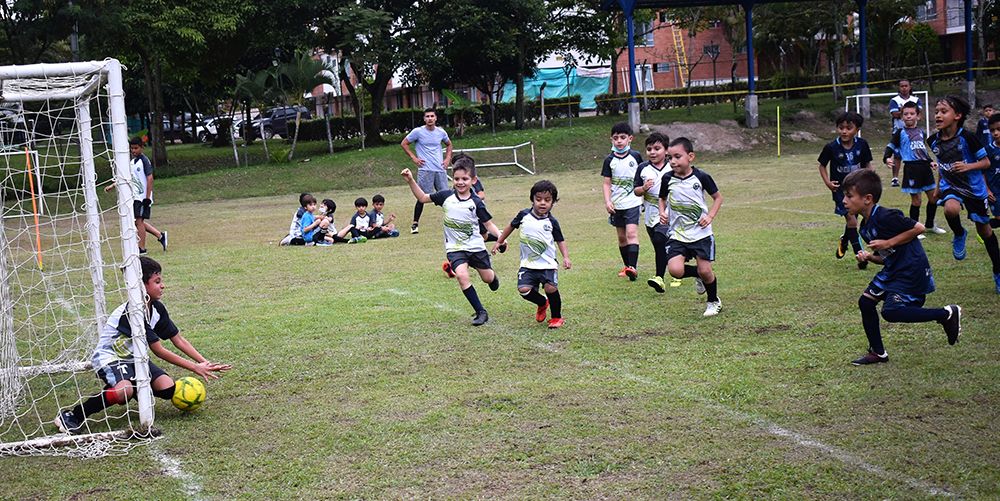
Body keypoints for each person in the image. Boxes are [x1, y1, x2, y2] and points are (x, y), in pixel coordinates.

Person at [54, 256, 232, 434]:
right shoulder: (133, 312)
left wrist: (204, 362)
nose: (162, 285)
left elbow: (178, 340)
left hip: (135, 357)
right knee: (123, 392)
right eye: (157, 281)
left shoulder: (156, 309)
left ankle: (133, 388)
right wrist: (194, 368)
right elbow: (159, 350)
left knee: (167, 388)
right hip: (111, 357)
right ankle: (74, 415)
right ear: (141, 285)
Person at [841, 169, 962, 365]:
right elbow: (886, 257)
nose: (844, 201)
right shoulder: (865, 227)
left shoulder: (886, 216)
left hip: (911, 269)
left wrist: (888, 243)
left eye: (849, 196)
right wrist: (870, 257)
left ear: (867, 198)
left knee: (891, 312)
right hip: (893, 269)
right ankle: (878, 353)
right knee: (866, 302)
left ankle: (946, 313)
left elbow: (918, 228)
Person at [402, 156, 501, 326]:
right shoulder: (446, 196)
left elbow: (488, 224)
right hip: (455, 248)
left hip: (476, 247)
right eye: (456, 179)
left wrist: (500, 238)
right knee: (462, 276)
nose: (460, 182)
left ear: (473, 180)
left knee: (487, 278)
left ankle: (493, 278)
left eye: (465, 179)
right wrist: (411, 180)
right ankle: (480, 312)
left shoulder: (476, 202)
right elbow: (423, 198)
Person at [928, 95, 1000, 293]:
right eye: (936, 112)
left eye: (943, 112)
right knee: (950, 209)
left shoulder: (968, 138)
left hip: (974, 189)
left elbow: (985, 163)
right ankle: (959, 233)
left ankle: (998, 270)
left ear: (957, 116)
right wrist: (937, 188)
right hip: (951, 185)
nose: (938, 115)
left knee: (985, 232)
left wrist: (968, 166)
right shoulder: (933, 140)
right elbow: (942, 166)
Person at [657, 137, 724, 317]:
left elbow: (718, 198)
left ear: (690, 156)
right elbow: (662, 198)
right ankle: (697, 275)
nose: (673, 161)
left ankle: (713, 301)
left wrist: (710, 216)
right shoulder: (667, 178)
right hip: (678, 234)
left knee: (706, 270)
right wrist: (662, 212)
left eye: (677, 157)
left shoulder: (701, 177)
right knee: (675, 271)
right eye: (670, 158)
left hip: (701, 234)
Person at [492, 180, 571, 328]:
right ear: (532, 199)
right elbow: (510, 226)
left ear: (553, 202)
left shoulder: (552, 222)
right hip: (528, 264)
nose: (542, 203)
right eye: (538, 199)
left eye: (547, 200)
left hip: (548, 263)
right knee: (523, 290)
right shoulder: (523, 215)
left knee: (550, 288)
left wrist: (566, 257)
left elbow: (560, 240)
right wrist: (500, 241)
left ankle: (556, 317)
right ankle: (542, 303)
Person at [818, 111, 873, 269]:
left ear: (857, 129)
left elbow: (868, 165)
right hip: (841, 191)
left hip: (859, 189)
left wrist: (871, 180)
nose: (844, 131)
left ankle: (845, 239)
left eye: (848, 128)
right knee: (852, 220)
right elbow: (822, 165)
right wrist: (828, 183)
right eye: (841, 128)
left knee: (855, 221)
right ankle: (861, 257)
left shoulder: (862, 144)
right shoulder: (831, 147)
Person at [882, 101, 945, 238]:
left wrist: (930, 162)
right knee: (917, 201)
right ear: (901, 116)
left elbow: (922, 150)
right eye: (906, 114)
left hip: (924, 168)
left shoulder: (921, 132)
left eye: (912, 114)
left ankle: (930, 225)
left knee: (934, 197)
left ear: (918, 116)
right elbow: (890, 146)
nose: (908, 116)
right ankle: (915, 228)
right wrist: (886, 158)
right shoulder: (900, 132)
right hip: (911, 169)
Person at [632, 131, 677, 293]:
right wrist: (643, 188)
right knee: (661, 245)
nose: (652, 152)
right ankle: (678, 270)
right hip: (650, 211)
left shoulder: (673, 165)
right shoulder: (642, 168)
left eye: (657, 148)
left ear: (666, 150)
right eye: (649, 149)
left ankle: (659, 278)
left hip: (671, 211)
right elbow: (636, 190)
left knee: (660, 241)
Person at [105, 138, 167, 253]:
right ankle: (160, 236)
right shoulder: (132, 162)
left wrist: (147, 198)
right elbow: (127, 178)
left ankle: (142, 248)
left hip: (142, 198)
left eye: (136, 148)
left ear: (142, 147)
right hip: (134, 197)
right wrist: (112, 186)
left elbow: (150, 178)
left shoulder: (144, 161)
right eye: (132, 148)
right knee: (137, 222)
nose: (133, 150)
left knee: (139, 222)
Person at [602, 122, 643, 281]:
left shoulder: (636, 156)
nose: (619, 141)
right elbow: (606, 183)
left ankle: (633, 267)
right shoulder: (609, 160)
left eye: (623, 137)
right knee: (621, 238)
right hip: (617, 204)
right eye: (616, 138)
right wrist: (607, 201)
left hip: (633, 202)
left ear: (630, 139)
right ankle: (628, 267)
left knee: (631, 233)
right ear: (611, 139)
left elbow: (643, 176)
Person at [401, 108, 453, 235]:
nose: (430, 118)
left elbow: (449, 145)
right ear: (424, 119)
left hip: (440, 170)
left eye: (432, 116)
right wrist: (414, 158)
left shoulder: (441, 132)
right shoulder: (418, 132)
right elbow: (404, 143)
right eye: (427, 116)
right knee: (421, 197)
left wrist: (447, 159)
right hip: (425, 170)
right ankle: (415, 224)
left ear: (436, 118)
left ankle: (453, 222)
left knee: (447, 198)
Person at [888, 79, 922, 187]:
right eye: (902, 86)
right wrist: (905, 112)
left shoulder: (916, 99)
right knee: (897, 155)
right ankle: (895, 178)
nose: (904, 88)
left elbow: (919, 113)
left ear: (910, 86)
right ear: (899, 87)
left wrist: (902, 111)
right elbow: (895, 114)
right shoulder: (894, 100)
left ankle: (916, 175)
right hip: (899, 131)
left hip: (913, 132)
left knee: (915, 153)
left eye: (906, 86)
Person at [984, 114, 1000, 230]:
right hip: (995, 191)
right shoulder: (988, 150)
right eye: (992, 130)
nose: (996, 133)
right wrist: (987, 190)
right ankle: (984, 227)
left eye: (999, 129)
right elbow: (982, 172)